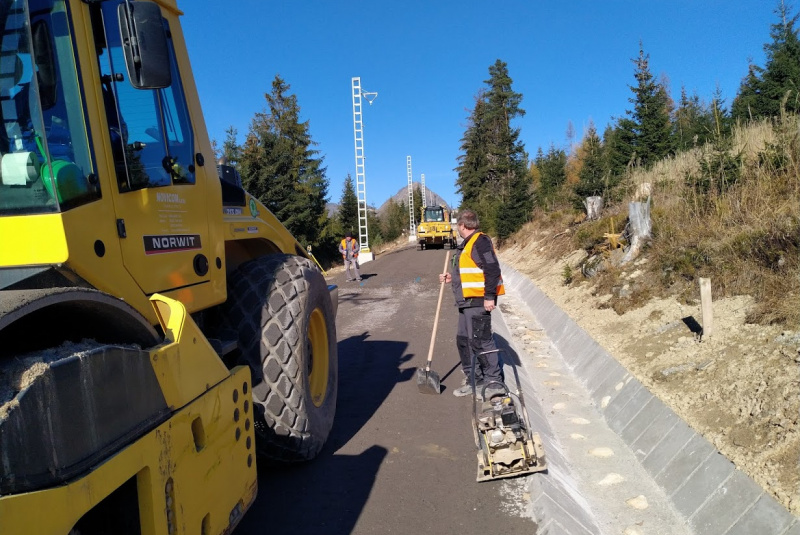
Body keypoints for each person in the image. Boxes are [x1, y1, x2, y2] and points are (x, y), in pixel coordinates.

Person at [439, 209, 505, 399]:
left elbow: (492, 268)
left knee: (480, 340)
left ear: (462, 225)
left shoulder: (480, 241)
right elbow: (472, 271)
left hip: (478, 300)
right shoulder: (468, 244)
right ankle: (474, 380)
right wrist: (452, 277)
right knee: (464, 341)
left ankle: (493, 382)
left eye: (457, 227)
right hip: (466, 301)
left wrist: (490, 296)